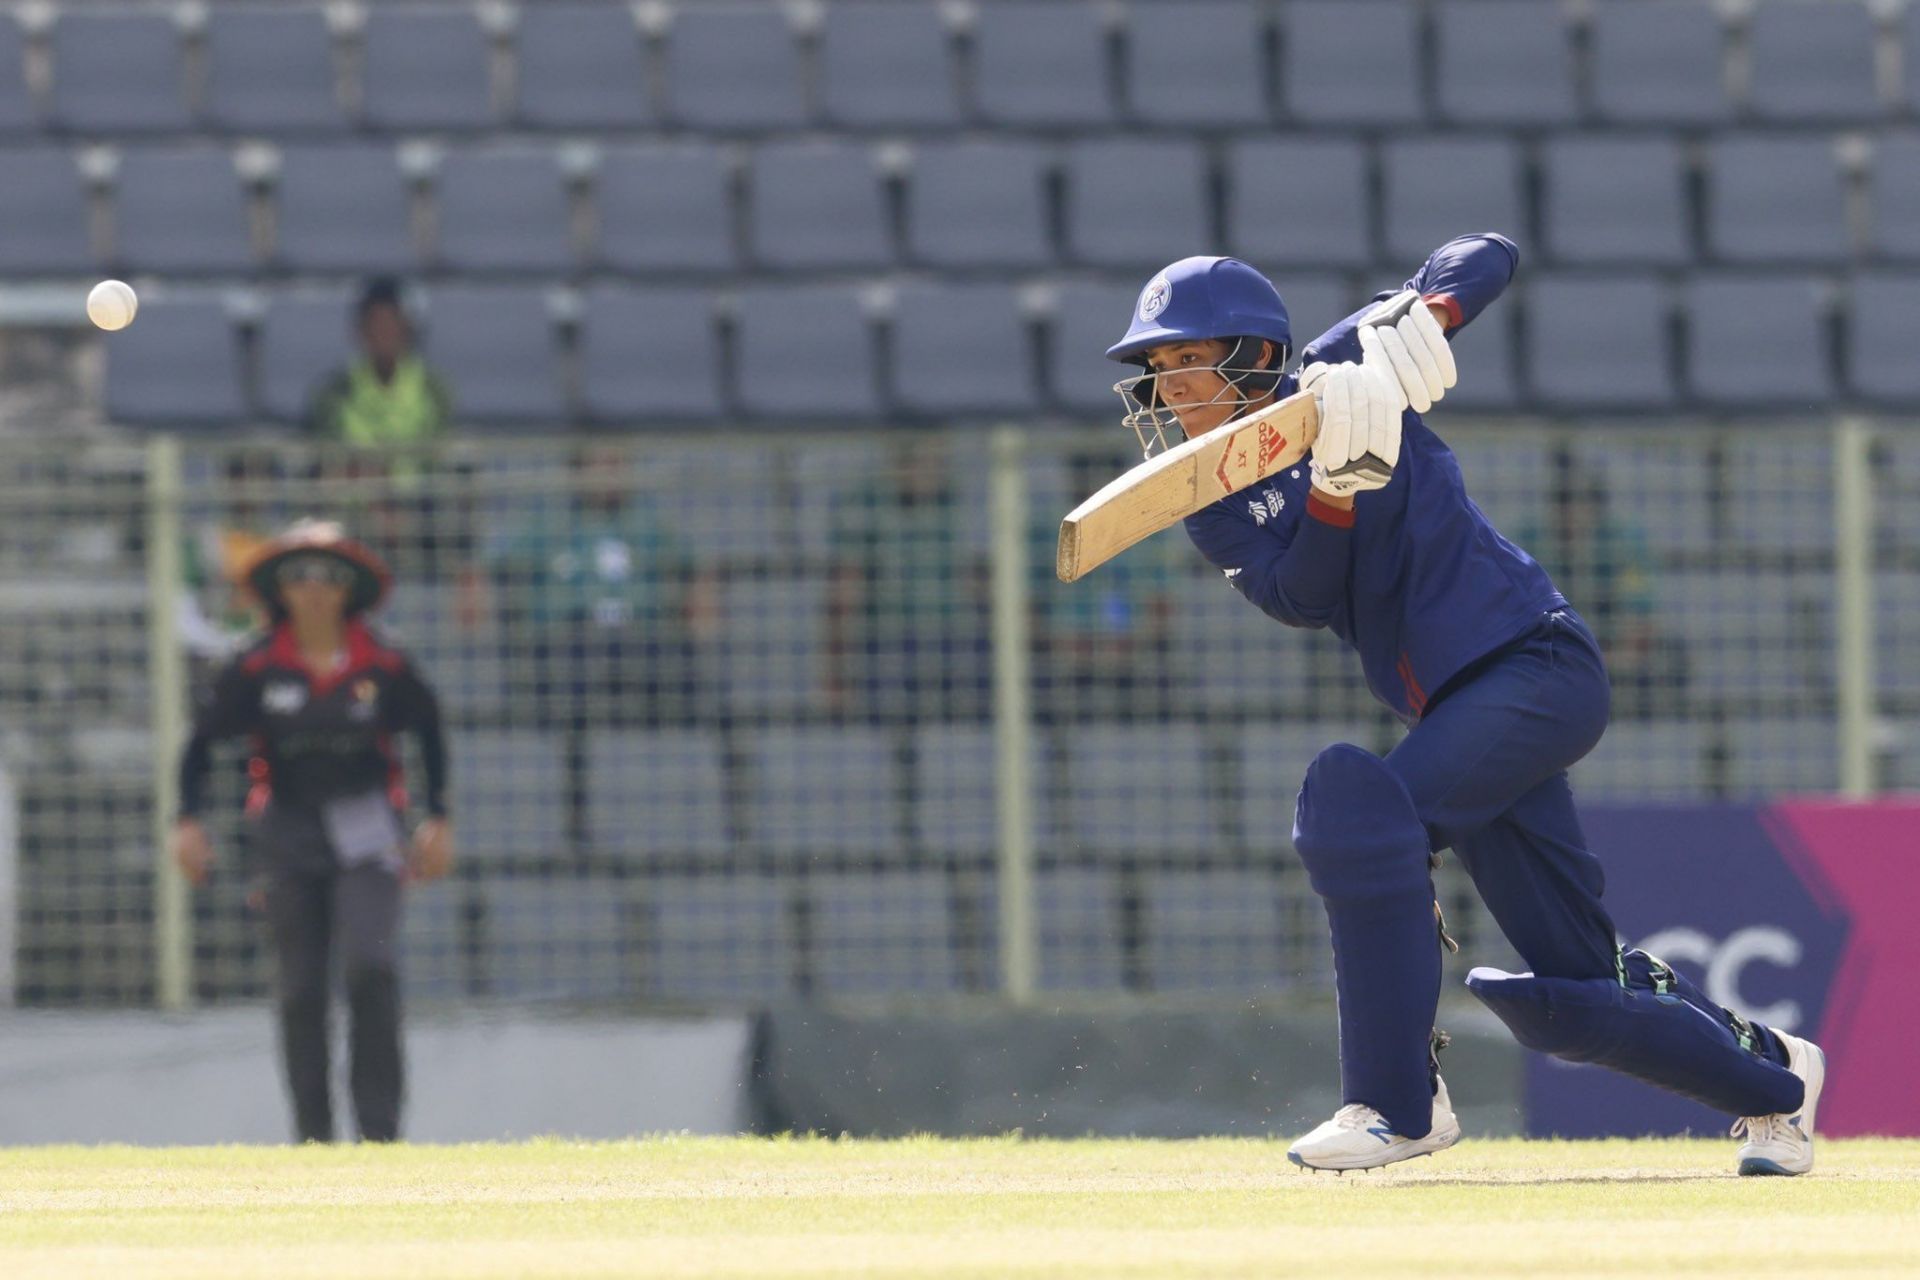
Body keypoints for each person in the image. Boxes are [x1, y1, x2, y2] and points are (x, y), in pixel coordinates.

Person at [1096, 238, 1824, 1175]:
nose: (1170, 387)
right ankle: (1779, 1083)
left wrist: (1424, 314)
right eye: (1157, 369)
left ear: (1256, 354)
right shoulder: (1210, 497)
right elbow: (1301, 599)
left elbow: (1487, 254)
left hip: (1536, 663)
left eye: (1186, 360)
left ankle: (1396, 1103)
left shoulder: (1340, 368)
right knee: (1575, 991)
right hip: (1454, 713)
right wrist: (1332, 493)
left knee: (1352, 814)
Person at [171, 520, 454, 1143]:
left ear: (350, 589)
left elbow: (429, 731)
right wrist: (187, 822)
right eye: (301, 576)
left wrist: (437, 815)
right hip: (288, 832)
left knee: (369, 965)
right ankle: (313, 1137)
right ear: (281, 590)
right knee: (300, 990)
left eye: (330, 576)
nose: (316, 590)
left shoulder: (383, 661)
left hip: (368, 828)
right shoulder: (255, 666)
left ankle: (380, 1134)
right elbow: (198, 748)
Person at [306, 277, 452, 451]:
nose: (384, 334)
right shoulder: (334, 392)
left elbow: (442, 455)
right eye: (376, 324)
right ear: (360, 330)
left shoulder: (435, 390)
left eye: (392, 323)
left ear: (408, 329)